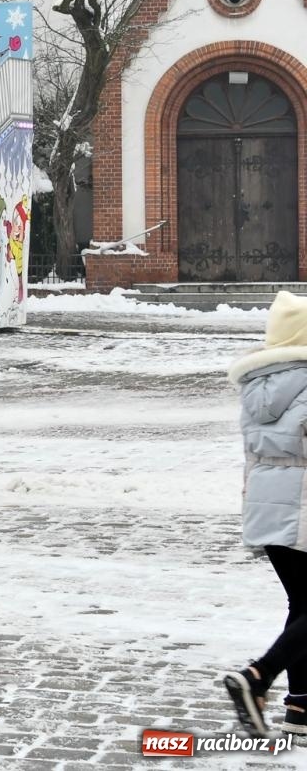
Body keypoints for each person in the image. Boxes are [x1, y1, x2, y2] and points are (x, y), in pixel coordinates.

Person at [222, 290, 307, 737]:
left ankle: (300, 708)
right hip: (302, 511)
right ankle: (258, 676)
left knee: (302, 605)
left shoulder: (260, 383)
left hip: (267, 511)